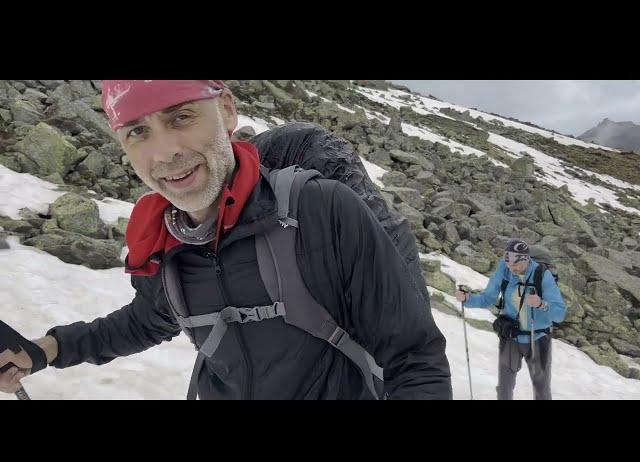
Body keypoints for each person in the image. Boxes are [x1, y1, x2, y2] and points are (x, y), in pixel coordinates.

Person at [0, 80, 452, 400]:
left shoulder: (321, 210)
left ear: (228, 111)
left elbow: (413, 358)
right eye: (138, 131)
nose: (165, 152)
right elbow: (147, 321)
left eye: (181, 117)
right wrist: (46, 351)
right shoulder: (169, 240)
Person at [455, 239, 566, 400]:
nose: (512, 269)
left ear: (526, 260)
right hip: (511, 336)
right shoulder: (505, 269)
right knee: (504, 389)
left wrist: (542, 304)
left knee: (541, 390)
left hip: (538, 337)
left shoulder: (542, 275)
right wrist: (467, 299)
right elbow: (488, 298)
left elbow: (560, 314)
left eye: (516, 266)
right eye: (508, 265)